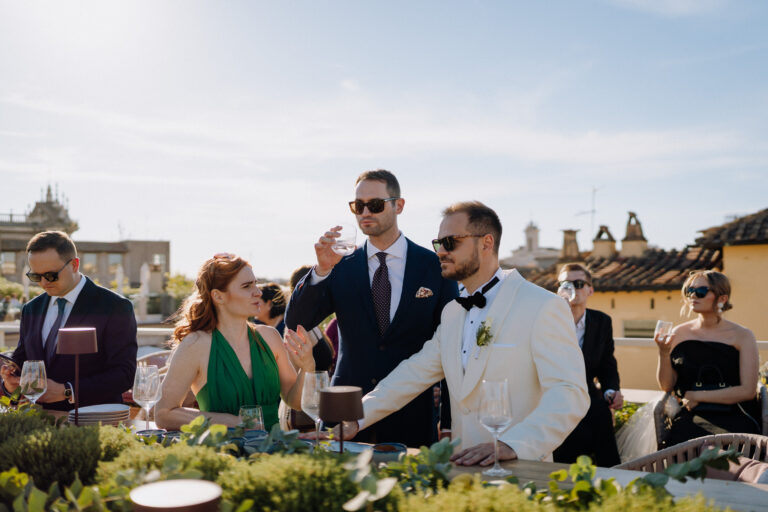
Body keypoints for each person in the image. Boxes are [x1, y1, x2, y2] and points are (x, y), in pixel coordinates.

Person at [312, 201, 589, 464]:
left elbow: (570, 392)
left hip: (522, 472)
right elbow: (413, 373)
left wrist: (515, 444)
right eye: (437, 243)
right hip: (462, 471)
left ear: (486, 243)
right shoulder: (453, 312)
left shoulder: (542, 306)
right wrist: (355, 420)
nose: (440, 251)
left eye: (450, 243)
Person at [286, 170, 459, 447]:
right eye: (358, 205)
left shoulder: (433, 266)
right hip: (344, 409)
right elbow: (297, 321)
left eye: (375, 205)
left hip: (412, 411)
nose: (365, 212)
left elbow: (452, 344)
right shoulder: (339, 264)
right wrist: (321, 270)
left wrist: (449, 422)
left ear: (398, 205)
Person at [155, 254, 315, 431]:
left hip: (274, 450)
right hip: (223, 451)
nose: (258, 292)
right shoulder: (196, 345)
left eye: (255, 283)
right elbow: (163, 414)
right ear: (218, 296)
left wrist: (307, 367)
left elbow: (295, 402)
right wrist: (231, 421)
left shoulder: (270, 337)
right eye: (247, 286)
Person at [0, 231, 137, 410]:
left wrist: (68, 391)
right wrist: (10, 385)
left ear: (74, 264)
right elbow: (23, 361)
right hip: (41, 420)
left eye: (50, 275)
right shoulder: (31, 309)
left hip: (95, 421)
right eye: (35, 276)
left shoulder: (115, 306)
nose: (43, 282)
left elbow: (124, 374)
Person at [656, 270, 761, 448]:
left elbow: (748, 391)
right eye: (690, 290)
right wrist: (663, 353)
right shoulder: (679, 333)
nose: (692, 296)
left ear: (722, 298)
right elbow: (667, 385)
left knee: (731, 446)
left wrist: (697, 395)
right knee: (680, 441)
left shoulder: (743, 336)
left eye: (701, 291)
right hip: (692, 413)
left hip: (736, 413)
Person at [552, 263, 622, 467]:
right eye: (565, 283)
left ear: (590, 289)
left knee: (601, 418)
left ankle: (612, 481)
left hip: (588, 396)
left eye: (578, 283)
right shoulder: (548, 320)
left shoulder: (601, 322)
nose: (571, 288)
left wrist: (612, 389)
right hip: (555, 396)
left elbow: (607, 363)